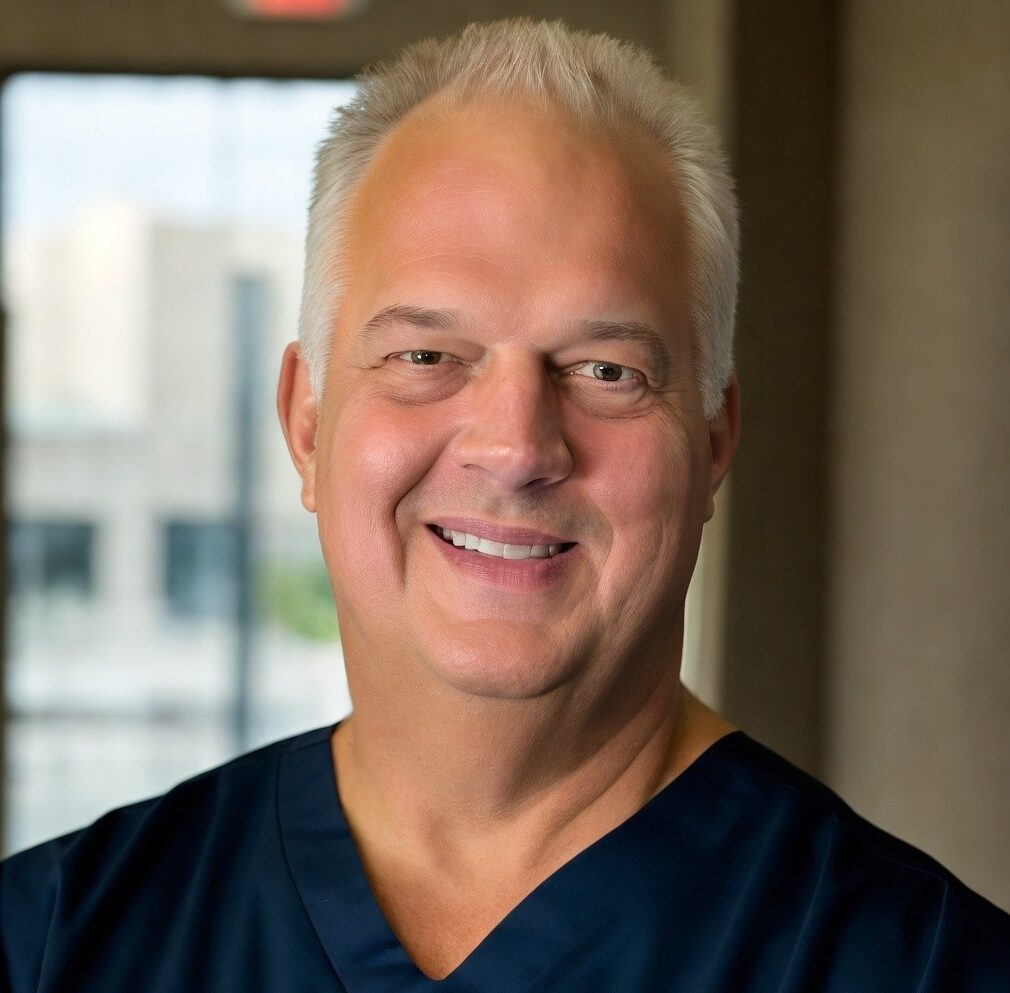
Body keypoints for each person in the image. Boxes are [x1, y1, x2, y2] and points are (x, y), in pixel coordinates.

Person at [2, 18, 1008, 993]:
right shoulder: (49, 943)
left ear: (710, 441)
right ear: (307, 423)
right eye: (425, 357)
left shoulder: (920, 965)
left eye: (606, 370)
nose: (516, 447)